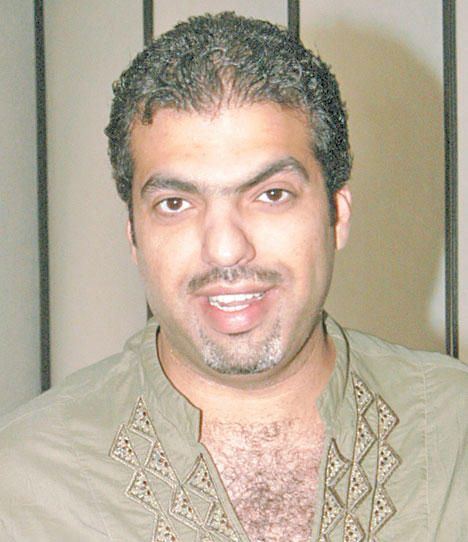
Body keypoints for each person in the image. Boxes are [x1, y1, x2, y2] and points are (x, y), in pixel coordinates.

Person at [0, 11, 467, 542]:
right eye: (175, 203)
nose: (225, 248)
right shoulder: (23, 487)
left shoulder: (454, 436)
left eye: (271, 194)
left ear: (336, 215)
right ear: (134, 236)